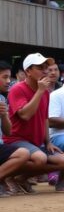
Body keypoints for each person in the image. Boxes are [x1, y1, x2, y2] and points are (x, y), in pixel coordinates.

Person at [3, 53, 64, 194]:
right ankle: (8, 176)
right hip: (16, 140)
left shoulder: (45, 93)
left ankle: (20, 178)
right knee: (40, 158)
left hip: (35, 143)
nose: (45, 71)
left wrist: (48, 142)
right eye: (40, 67)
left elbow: (45, 118)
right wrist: (39, 91)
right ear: (28, 71)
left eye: (46, 67)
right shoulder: (18, 89)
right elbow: (25, 115)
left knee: (62, 160)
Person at [0, 61, 31, 197]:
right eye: (4, 77)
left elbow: (7, 132)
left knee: (23, 153)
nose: (8, 81)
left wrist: (4, 115)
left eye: (9, 77)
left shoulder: (1, 98)